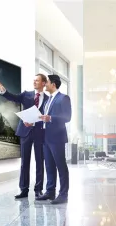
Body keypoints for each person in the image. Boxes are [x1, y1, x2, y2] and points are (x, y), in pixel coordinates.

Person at [0, 74, 49, 199]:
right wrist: (3, 90)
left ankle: (38, 190)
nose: (34, 82)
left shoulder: (48, 99)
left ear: (44, 83)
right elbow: (13, 97)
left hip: (40, 132)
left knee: (40, 162)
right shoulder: (26, 94)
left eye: (37, 80)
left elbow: (48, 117)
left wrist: (38, 121)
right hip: (25, 132)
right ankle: (24, 190)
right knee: (25, 162)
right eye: (33, 80)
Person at [36, 74, 72, 204]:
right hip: (46, 137)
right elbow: (43, 117)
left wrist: (51, 118)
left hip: (57, 137)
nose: (45, 84)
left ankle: (63, 195)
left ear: (53, 84)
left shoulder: (63, 98)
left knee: (61, 166)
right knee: (49, 166)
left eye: (47, 82)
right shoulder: (47, 100)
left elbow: (67, 117)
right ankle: (50, 192)